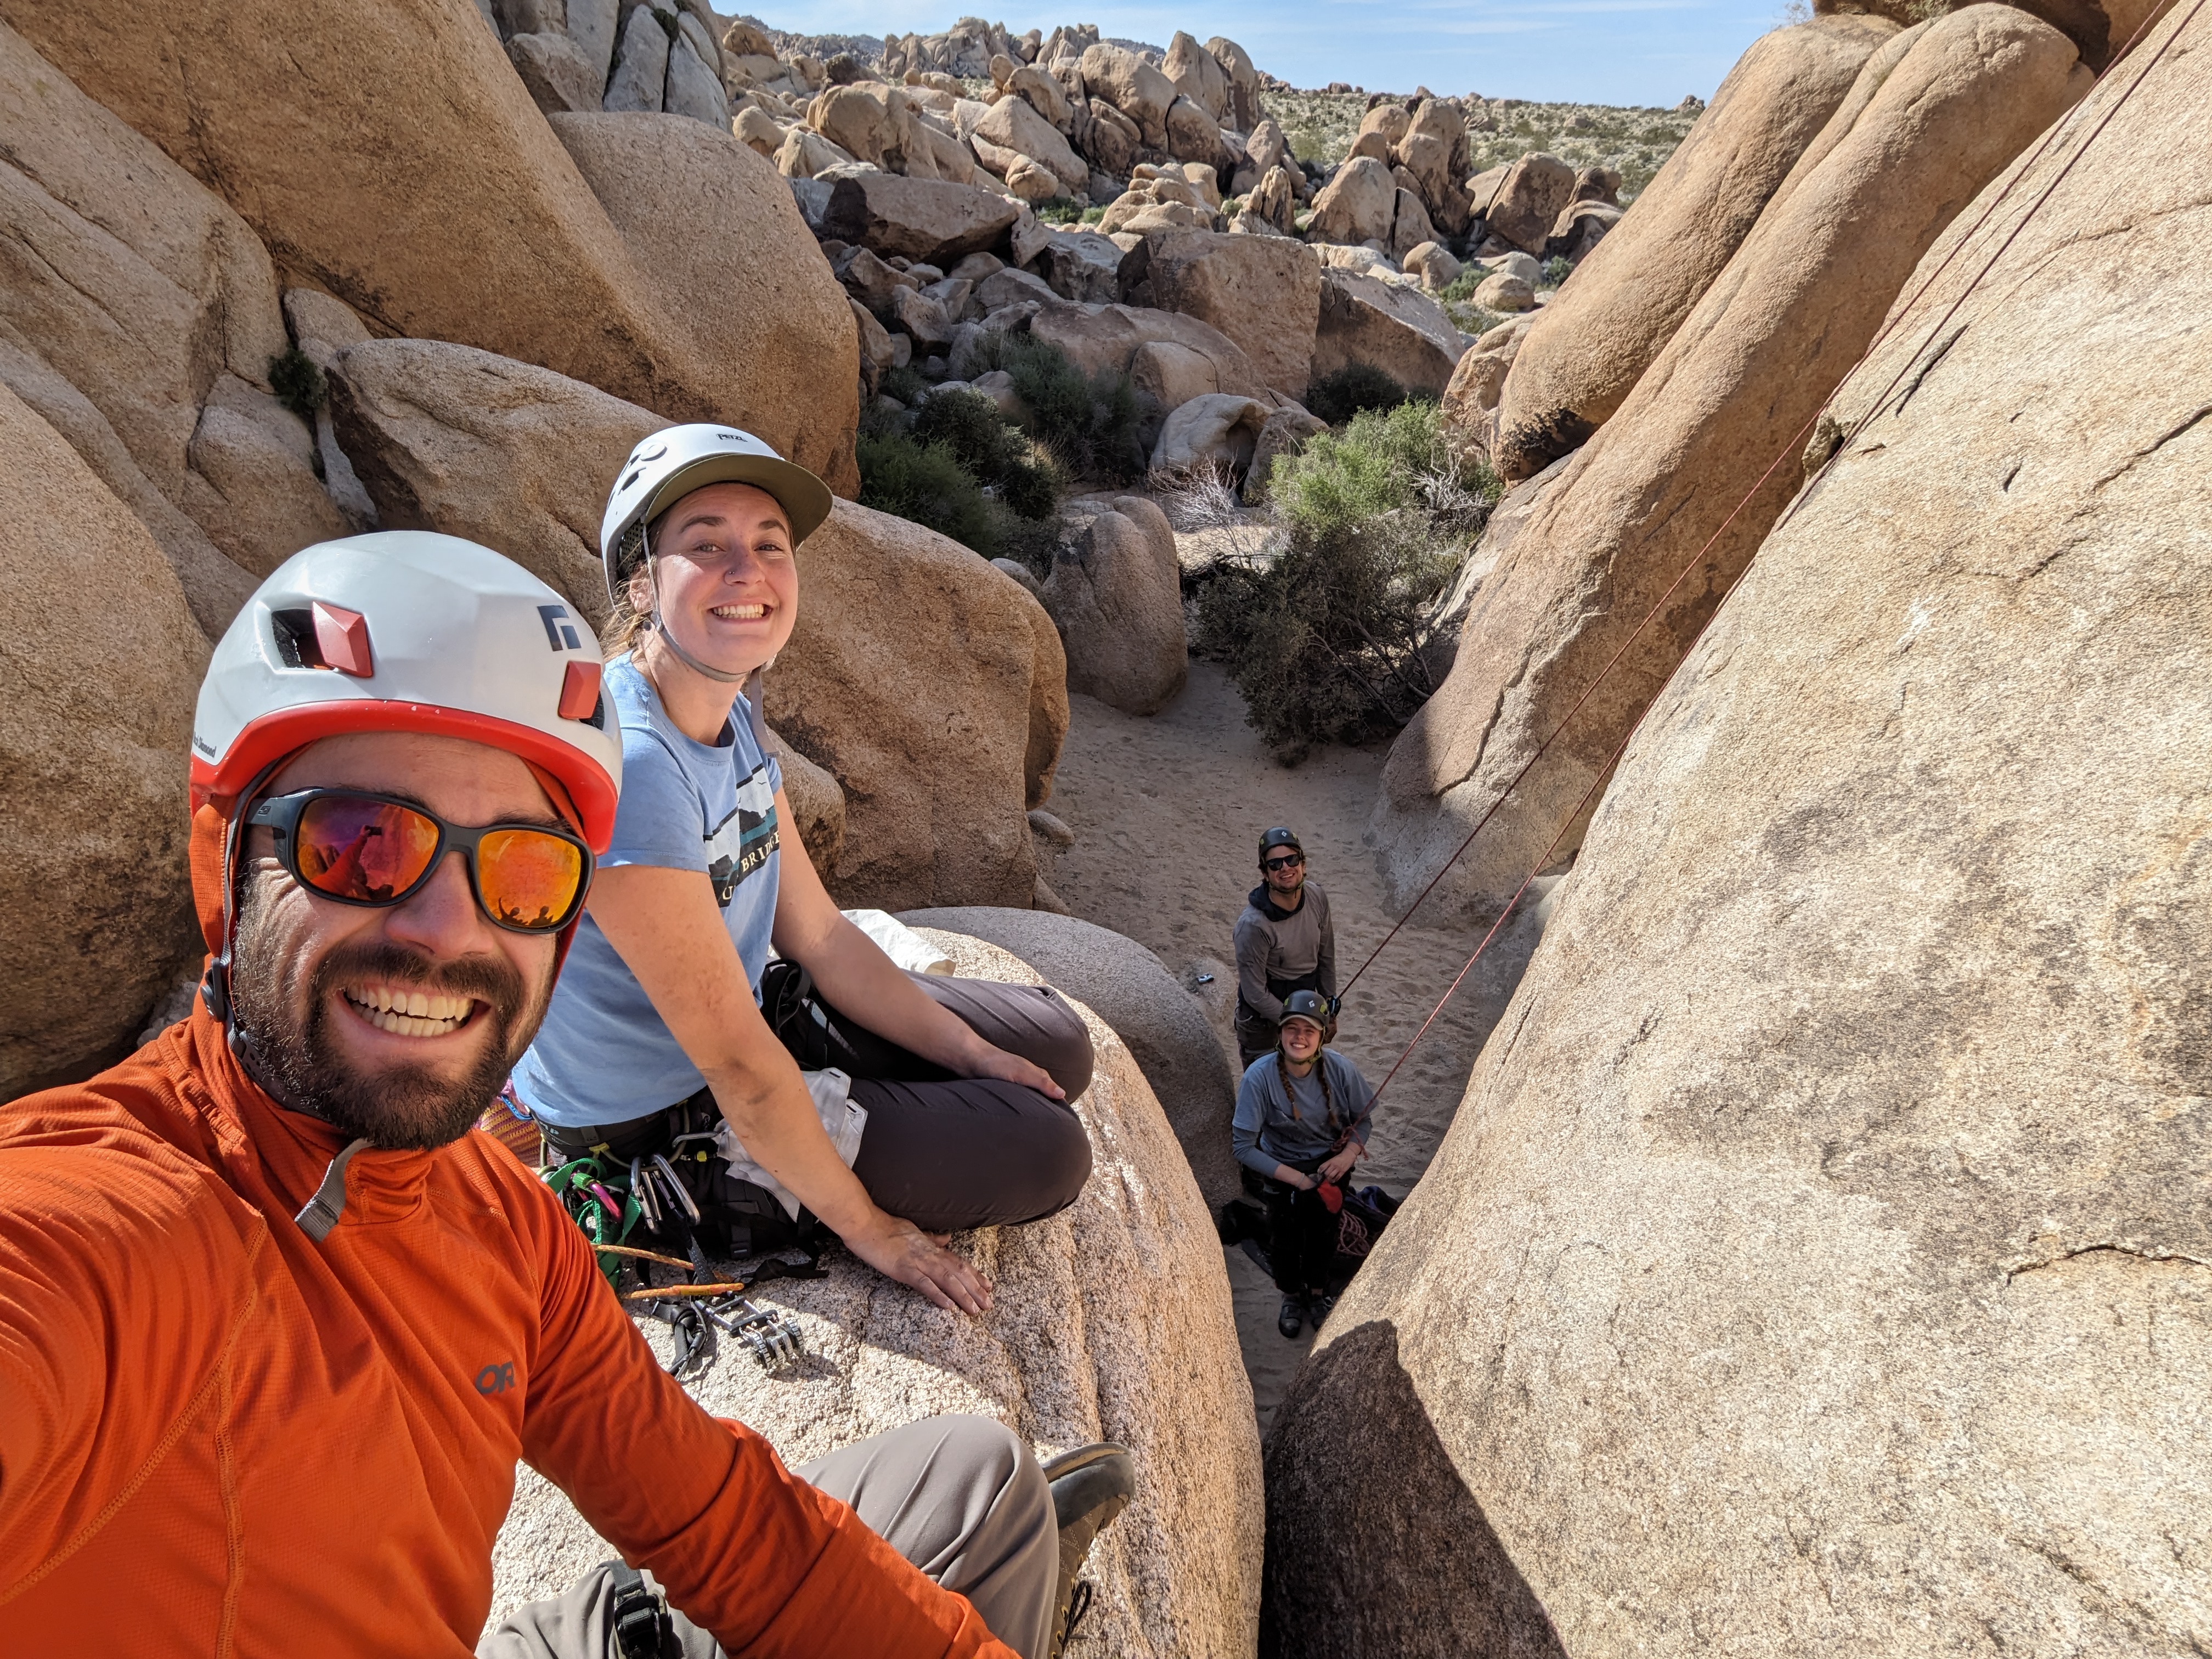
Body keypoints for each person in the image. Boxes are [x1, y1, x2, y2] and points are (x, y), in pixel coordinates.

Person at [0, 534, 1132, 1657]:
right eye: (360, 844)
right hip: (677, 1114)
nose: (448, 934)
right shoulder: (110, 1234)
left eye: (526, 872)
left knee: (976, 1488)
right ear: (224, 863)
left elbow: (726, 1526)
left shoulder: (504, 1228)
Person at [510, 425, 1094, 1317]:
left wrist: (970, 1054)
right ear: (640, 580)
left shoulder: (728, 713)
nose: (746, 570)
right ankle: (688, 1198)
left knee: (1050, 1045)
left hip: (750, 1018)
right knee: (1048, 1152)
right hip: (663, 1115)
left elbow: (818, 933)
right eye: (705, 545)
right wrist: (871, 1227)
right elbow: (740, 1066)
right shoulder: (633, 766)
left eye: (768, 546)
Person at [1231, 990, 1375, 1339]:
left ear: (1322, 1036)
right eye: (1292, 1028)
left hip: (1330, 1167)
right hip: (1281, 1168)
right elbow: (1243, 1147)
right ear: (1279, 1033)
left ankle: (1317, 1294)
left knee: (1324, 1235)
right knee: (1284, 1236)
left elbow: (1363, 1123)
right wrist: (1297, 1180)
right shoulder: (1259, 1077)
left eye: (1309, 1030)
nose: (1300, 1037)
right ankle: (1292, 1296)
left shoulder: (1341, 1070)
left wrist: (1346, 1156)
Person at [1232, 827, 1338, 1068]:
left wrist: (1329, 1008)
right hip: (1263, 1024)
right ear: (1265, 873)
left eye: (1291, 859)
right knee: (1267, 1092)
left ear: (1303, 864)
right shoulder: (1253, 926)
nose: (1285, 868)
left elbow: (1326, 957)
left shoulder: (1317, 897)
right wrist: (1301, 1024)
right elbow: (1256, 994)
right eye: (1275, 864)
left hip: (1304, 1006)